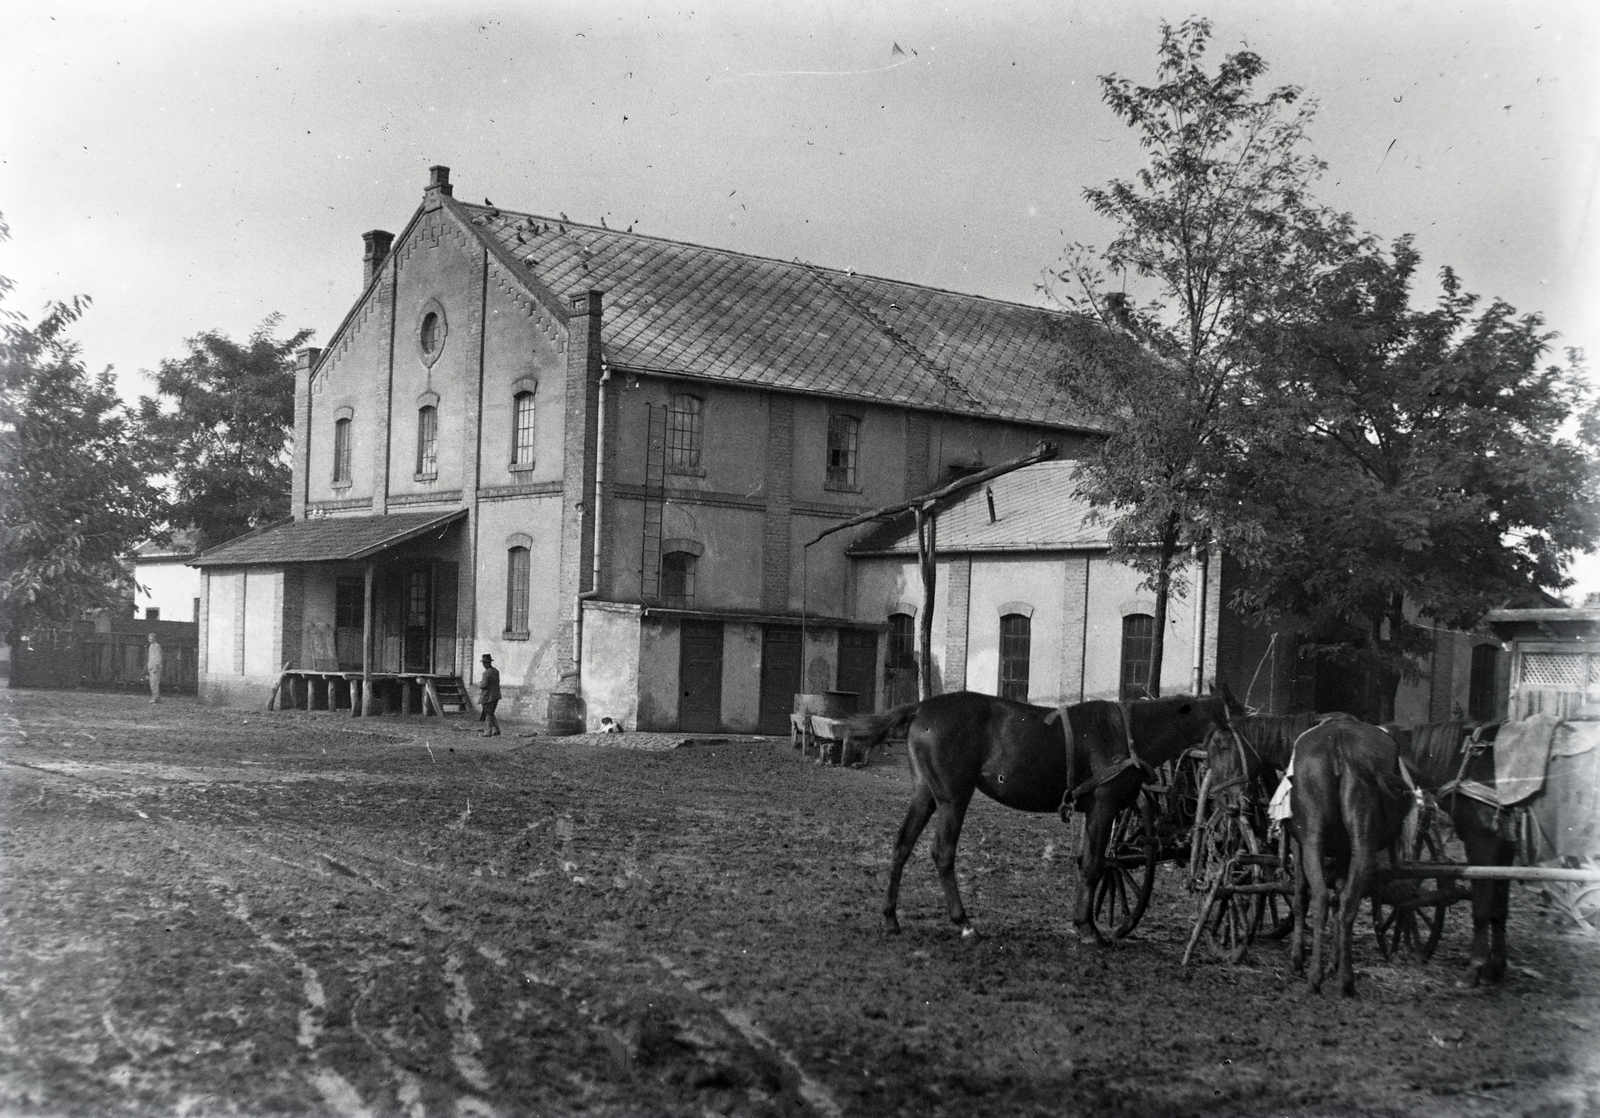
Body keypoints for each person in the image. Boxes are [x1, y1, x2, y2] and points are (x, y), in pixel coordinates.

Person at [478, 653, 501, 736]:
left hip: (488, 696)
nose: (484, 664)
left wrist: (480, 684)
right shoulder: (496, 671)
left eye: (485, 662)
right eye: (483, 662)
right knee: (491, 713)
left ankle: (488, 732)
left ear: (489, 662)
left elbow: (484, 685)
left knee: (488, 713)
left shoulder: (486, 673)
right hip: (496, 695)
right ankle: (497, 730)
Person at [146, 632, 164, 703]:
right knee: (152, 683)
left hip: (155, 667)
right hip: (151, 666)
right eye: (149, 638)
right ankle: (156, 697)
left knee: (155, 683)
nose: (150, 640)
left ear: (154, 639)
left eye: (151, 638)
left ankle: (156, 698)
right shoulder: (151, 646)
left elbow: (158, 657)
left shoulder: (157, 646)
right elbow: (150, 657)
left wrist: (156, 666)